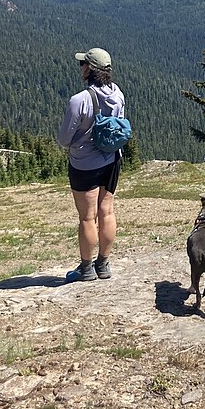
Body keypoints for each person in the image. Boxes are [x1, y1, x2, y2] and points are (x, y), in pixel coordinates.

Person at [56, 47, 126, 282]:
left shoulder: (80, 100)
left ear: (89, 69)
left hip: (84, 164)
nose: (81, 67)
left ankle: (86, 269)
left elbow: (64, 139)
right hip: (112, 160)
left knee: (87, 218)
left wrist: (78, 142)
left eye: (82, 64)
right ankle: (103, 265)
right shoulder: (118, 94)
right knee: (107, 212)